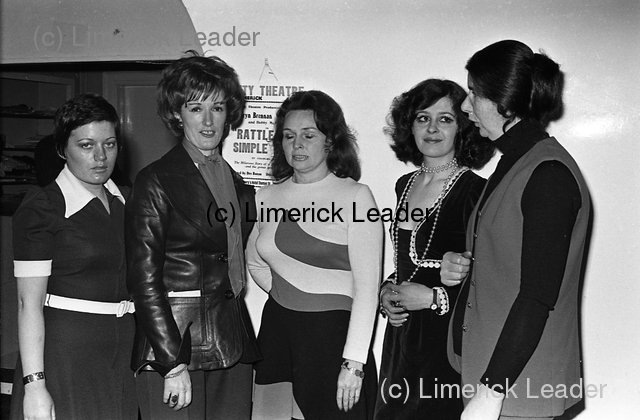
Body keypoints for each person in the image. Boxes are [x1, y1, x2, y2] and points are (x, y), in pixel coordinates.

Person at [441, 40, 591, 420]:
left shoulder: (548, 174)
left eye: (474, 94)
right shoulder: (515, 161)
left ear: (504, 104)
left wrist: (491, 392)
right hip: (494, 379)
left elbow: (537, 296)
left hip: (517, 390)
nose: (465, 107)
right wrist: (463, 266)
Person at [126, 52, 260, 419]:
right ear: (177, 113)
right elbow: (143, 280)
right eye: (196, 108)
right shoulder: (155, 180)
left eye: (217, 108)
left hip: (232, 343)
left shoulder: (237, 184)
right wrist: (171, 362)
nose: (208, 120)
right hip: (175, 348)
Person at [246, 90, 383, 419]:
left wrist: (354, 362)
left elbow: (367, 289)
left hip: (333, 342)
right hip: (278, 336)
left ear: (330, 141)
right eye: (288, 136)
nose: (297, 145)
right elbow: (254, 261)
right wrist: (289, 293)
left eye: (308, 135)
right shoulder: (265, 197)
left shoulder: (356, 196)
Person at [10, 93, 137, 420]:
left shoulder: (130, 201)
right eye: (86, 145)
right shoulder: (43, 207)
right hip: (66, 354)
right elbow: (27, 305)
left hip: (123, 352)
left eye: (109, 144)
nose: (100, 156)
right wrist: (35, 386)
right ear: (61, 149)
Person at [374, 79, 494, 419]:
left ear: (462, 128)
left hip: (447, 338)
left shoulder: (475, 191)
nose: (432, 128)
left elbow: (490, 282)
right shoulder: (404, 184)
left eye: (445, 119)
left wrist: (432, 298)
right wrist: (387, 291)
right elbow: (406, 260)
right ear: (409, 125)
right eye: (423, 118)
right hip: (401, 335)